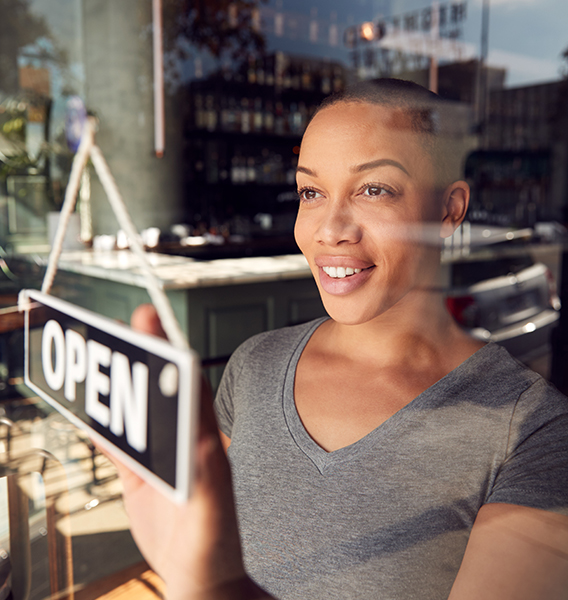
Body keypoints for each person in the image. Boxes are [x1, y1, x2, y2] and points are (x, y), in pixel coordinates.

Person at [115, 79, 568, 599]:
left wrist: (216, 587)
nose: (330, 229)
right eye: (312, 192)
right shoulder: (256, 366)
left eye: (374, 189)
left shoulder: (535, 433)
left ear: (449, 210)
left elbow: (210, 572)